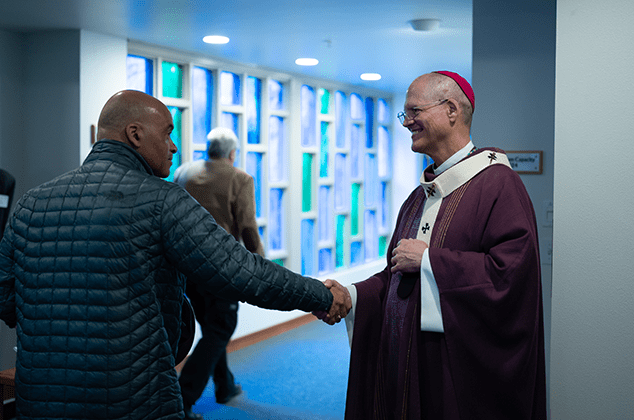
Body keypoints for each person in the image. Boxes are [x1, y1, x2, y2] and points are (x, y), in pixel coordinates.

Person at [0, 90, 351, 420]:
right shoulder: (160, 200)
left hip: (39, 401)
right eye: (167, 133)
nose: (174, 145)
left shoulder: (31, 203)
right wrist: (320, 294)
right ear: (135, 134)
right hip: (136, 399)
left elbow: (5, 297)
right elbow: (242, 272)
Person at [331, 71, 547, 419]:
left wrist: (432, 262)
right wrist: (352, 296)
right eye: (405, 114)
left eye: (414, 111)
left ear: (451, 110)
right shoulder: (419, 197)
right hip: (407, 364)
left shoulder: (499, 186)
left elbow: (511, 277)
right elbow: (397, 276)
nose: (406, 123)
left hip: (454, 373)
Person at [173, 127, 263, 418]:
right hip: (220, 269)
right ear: (232, 153)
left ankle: (224, 385)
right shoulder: (240, 178)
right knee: (220, 328)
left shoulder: (184, 172)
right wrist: (260, 265)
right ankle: (182, 399)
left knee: (213, 328)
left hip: (185, 267)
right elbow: (248, 227)